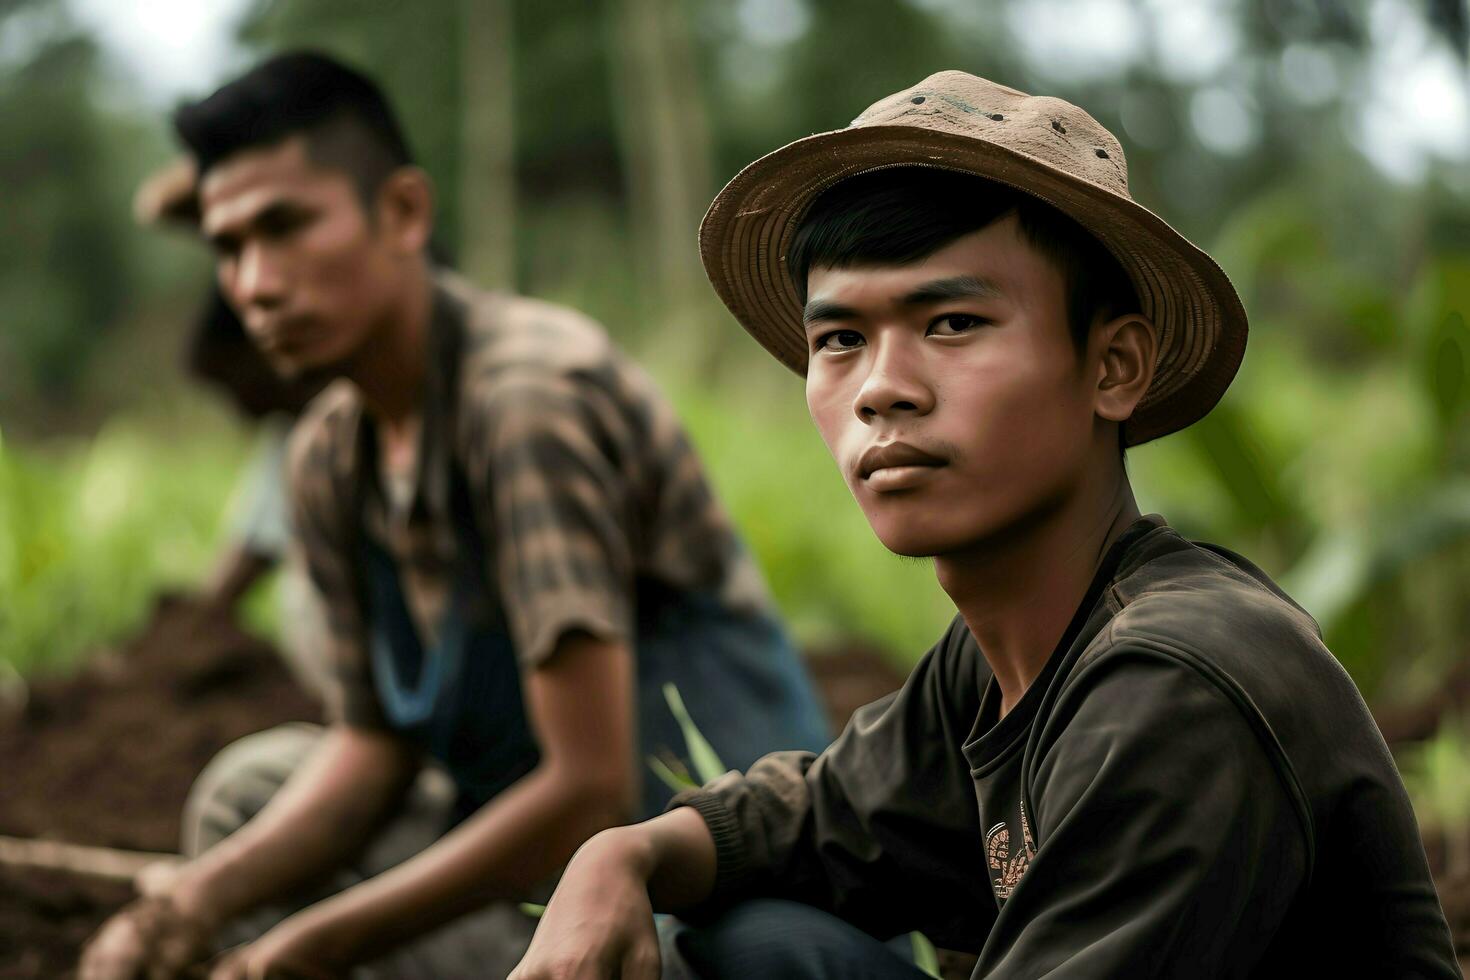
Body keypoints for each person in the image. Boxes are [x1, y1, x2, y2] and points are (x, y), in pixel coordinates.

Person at [508, 71, 1459, 978]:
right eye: (840, 340)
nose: (881, 389)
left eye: (953, 323)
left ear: (1113, 367)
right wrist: (617, 857)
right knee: (753, 941)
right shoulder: (998, 658)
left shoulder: (1176, 685)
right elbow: (815, 817)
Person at [79, 50, 829, 979]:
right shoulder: (327, 456)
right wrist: (186, 907)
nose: (257, 283)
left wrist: (308, 945)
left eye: (285, 227)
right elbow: (377, 745)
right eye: (230, 248)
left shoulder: (525, 402)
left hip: (689, 881)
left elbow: (588, 789)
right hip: (538, 873)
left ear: (402, 212)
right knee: (247, 796)